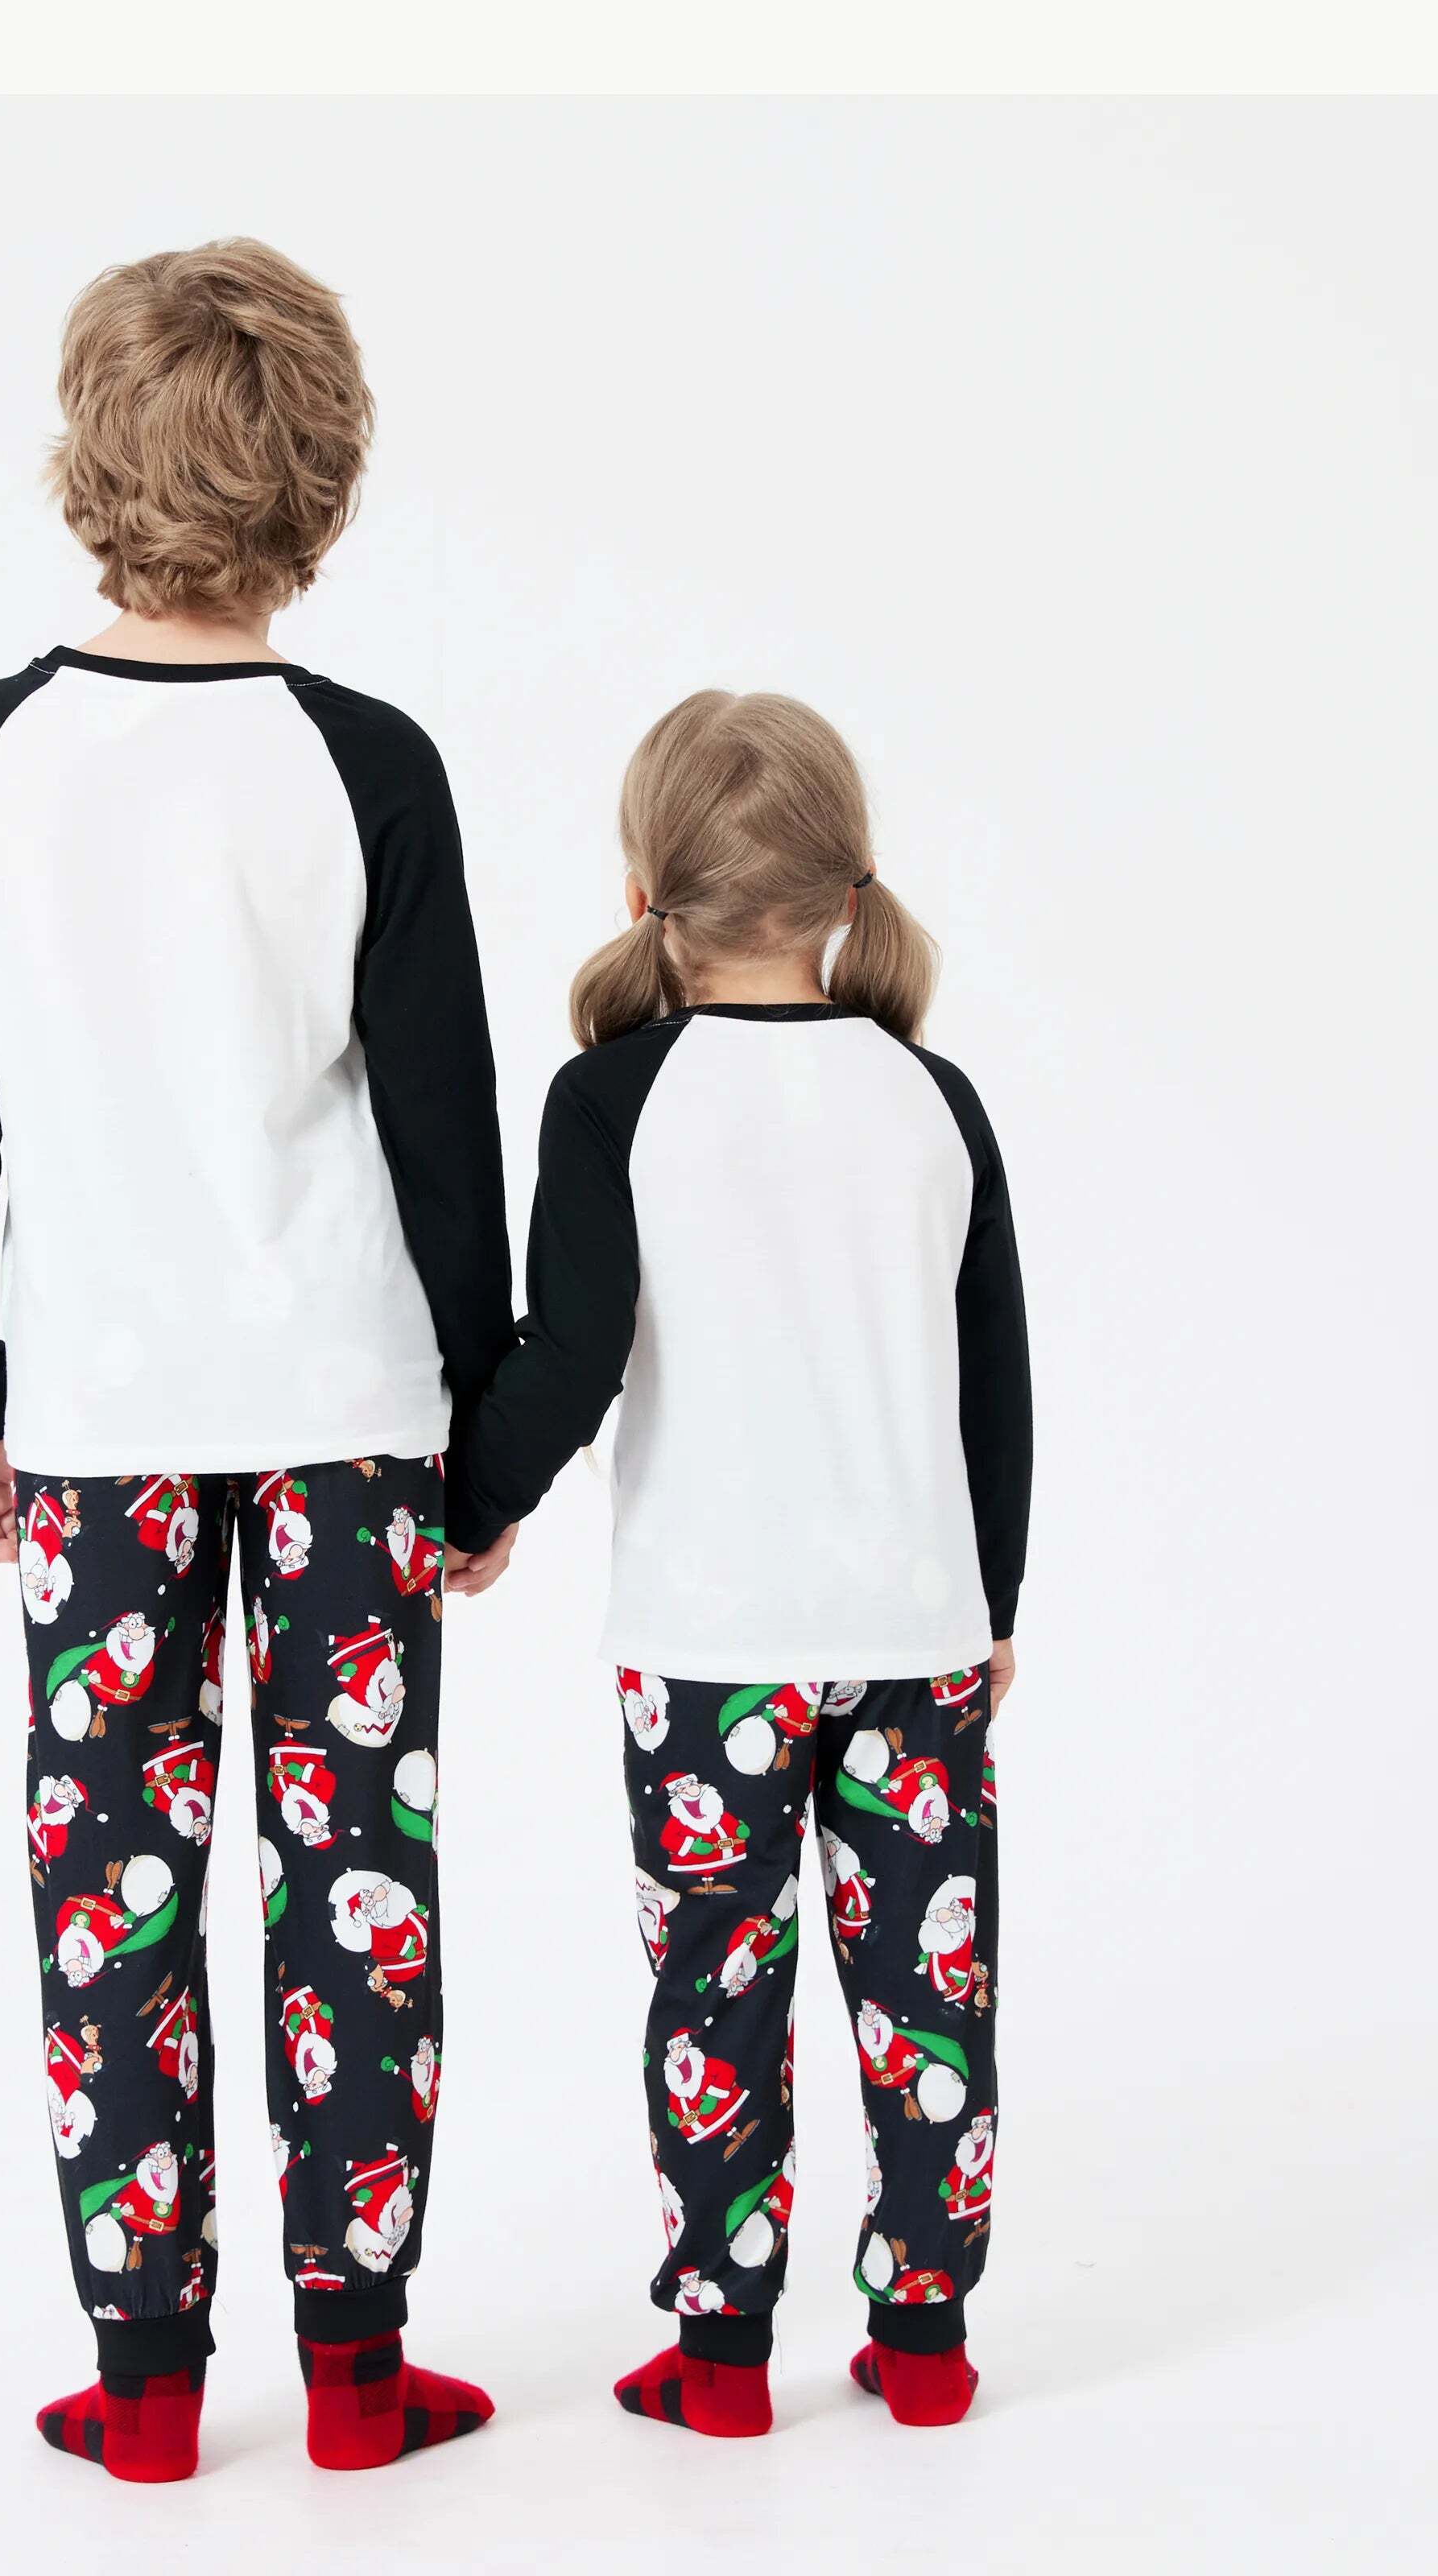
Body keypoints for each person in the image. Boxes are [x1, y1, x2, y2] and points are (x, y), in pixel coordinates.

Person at [0, 240, 514, 2482]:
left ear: (89, 462)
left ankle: (146, 2388)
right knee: (358, 1893)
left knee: (111, 1900)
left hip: (98, 1427)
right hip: (350, 1423)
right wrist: (486, 1427)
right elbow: (445, 1128)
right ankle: (358, 2375)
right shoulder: (366, 764)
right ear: (323, 476)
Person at [451, 692, 1031, 2435]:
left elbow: (569, 1352)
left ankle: (719, 2361)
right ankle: (925, 2346)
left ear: (646, 889)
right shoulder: (932, 1099)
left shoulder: (612, 1098)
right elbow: (994, 1382)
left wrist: (475, 1504)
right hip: (917, 1630)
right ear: (848, 888)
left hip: (709, 1645)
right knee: (930, 1991)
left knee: (714, 1991)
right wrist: (994, 1602)